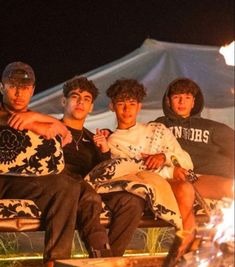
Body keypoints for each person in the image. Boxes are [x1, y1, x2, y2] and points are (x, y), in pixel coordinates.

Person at [103, 78, 197, 259]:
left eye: (132, 104)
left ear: (139, 106)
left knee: (190, 187)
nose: (126, 109)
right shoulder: (113, 142)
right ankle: (185, 256)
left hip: (175, 183)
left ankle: (186, 254)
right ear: (112, 106)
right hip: (150, 188)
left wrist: (164, 157)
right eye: (121, 104)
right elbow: (136, 173)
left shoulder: (157, 129)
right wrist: (169, 170)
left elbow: (186, 161)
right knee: (185, 189)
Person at [0, 61, 81, 267]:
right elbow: (9, 120)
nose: (19, 93)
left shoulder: (34, 115)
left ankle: (56, 261)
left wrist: (33, 118)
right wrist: (37, 124)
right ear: (2, 87)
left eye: (25, 88)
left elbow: (64, 132)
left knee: (66, 186)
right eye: (13, 86)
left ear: (32, 90)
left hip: (25, 181)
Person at [61, 76, 146, 257]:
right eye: (75, 97)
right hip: (64, 187)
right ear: (64, 101)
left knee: (132, 201)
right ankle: (102, 255)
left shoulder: (94, 138)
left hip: (92, 187)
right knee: (88, 195)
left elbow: (104, 174)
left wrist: (104, 151)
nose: (80, 102)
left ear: (91, 107)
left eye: (86, 99)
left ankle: (111, 259)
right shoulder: (51, 131)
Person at [155, 77, 234, 199]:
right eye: (176, 97)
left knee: (230, 187)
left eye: (187, 97)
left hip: (206, 177)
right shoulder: (158, 125)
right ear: (168, 101)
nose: (182, 102)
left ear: (193, 102)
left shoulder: (211, 127)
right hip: (174, 178)